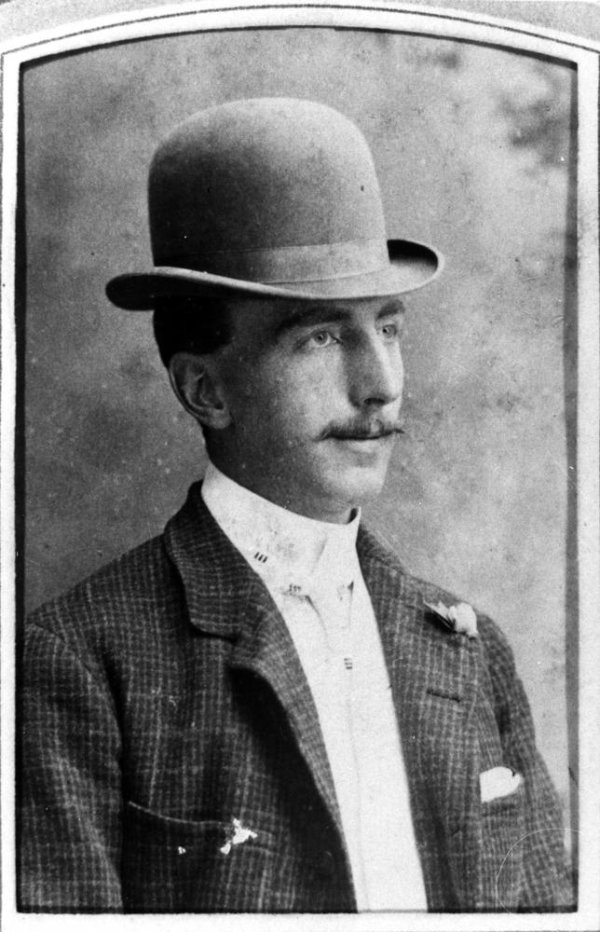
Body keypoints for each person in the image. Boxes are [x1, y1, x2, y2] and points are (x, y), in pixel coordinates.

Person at [18, 97, 572, 913]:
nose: (380, 383)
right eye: (320, 337)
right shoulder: (81, 664)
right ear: (205, 388)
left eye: (388, 328)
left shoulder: (471, 649)